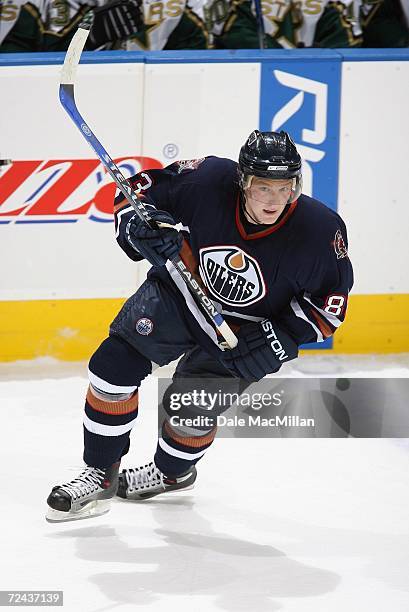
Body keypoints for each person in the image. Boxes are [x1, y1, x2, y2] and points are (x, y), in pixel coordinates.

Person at [46, 130, 353, 522]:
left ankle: (173, 475)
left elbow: (327, 309)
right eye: (263, 187)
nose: (274, 200)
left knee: (190, 413)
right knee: (111, 369)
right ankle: (99, 473)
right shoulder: (206, 179)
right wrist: (141, 227)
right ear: (243, 182)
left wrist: (279, 341)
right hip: (180, 296)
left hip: (245, 333)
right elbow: (135, 195)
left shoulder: (320, 231)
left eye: (284, 187)